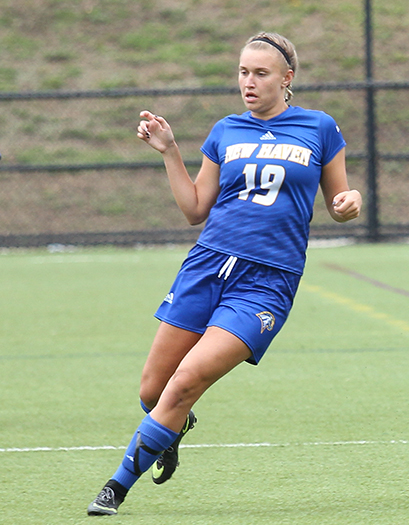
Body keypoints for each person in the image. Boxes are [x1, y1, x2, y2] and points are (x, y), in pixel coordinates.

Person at [86, 31, 361, 516]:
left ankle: (115, 487)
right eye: (243, 72)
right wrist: (170, 150)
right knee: (154, 390)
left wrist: (349, 203)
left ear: (287, 79)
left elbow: (340, 204)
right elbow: (195, 208)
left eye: (261, 73)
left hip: (267, 281)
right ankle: (172, 430)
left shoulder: (319, 127)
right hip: (207, 265)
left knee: (187, 380)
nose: (249, 82)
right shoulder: (225, 130)